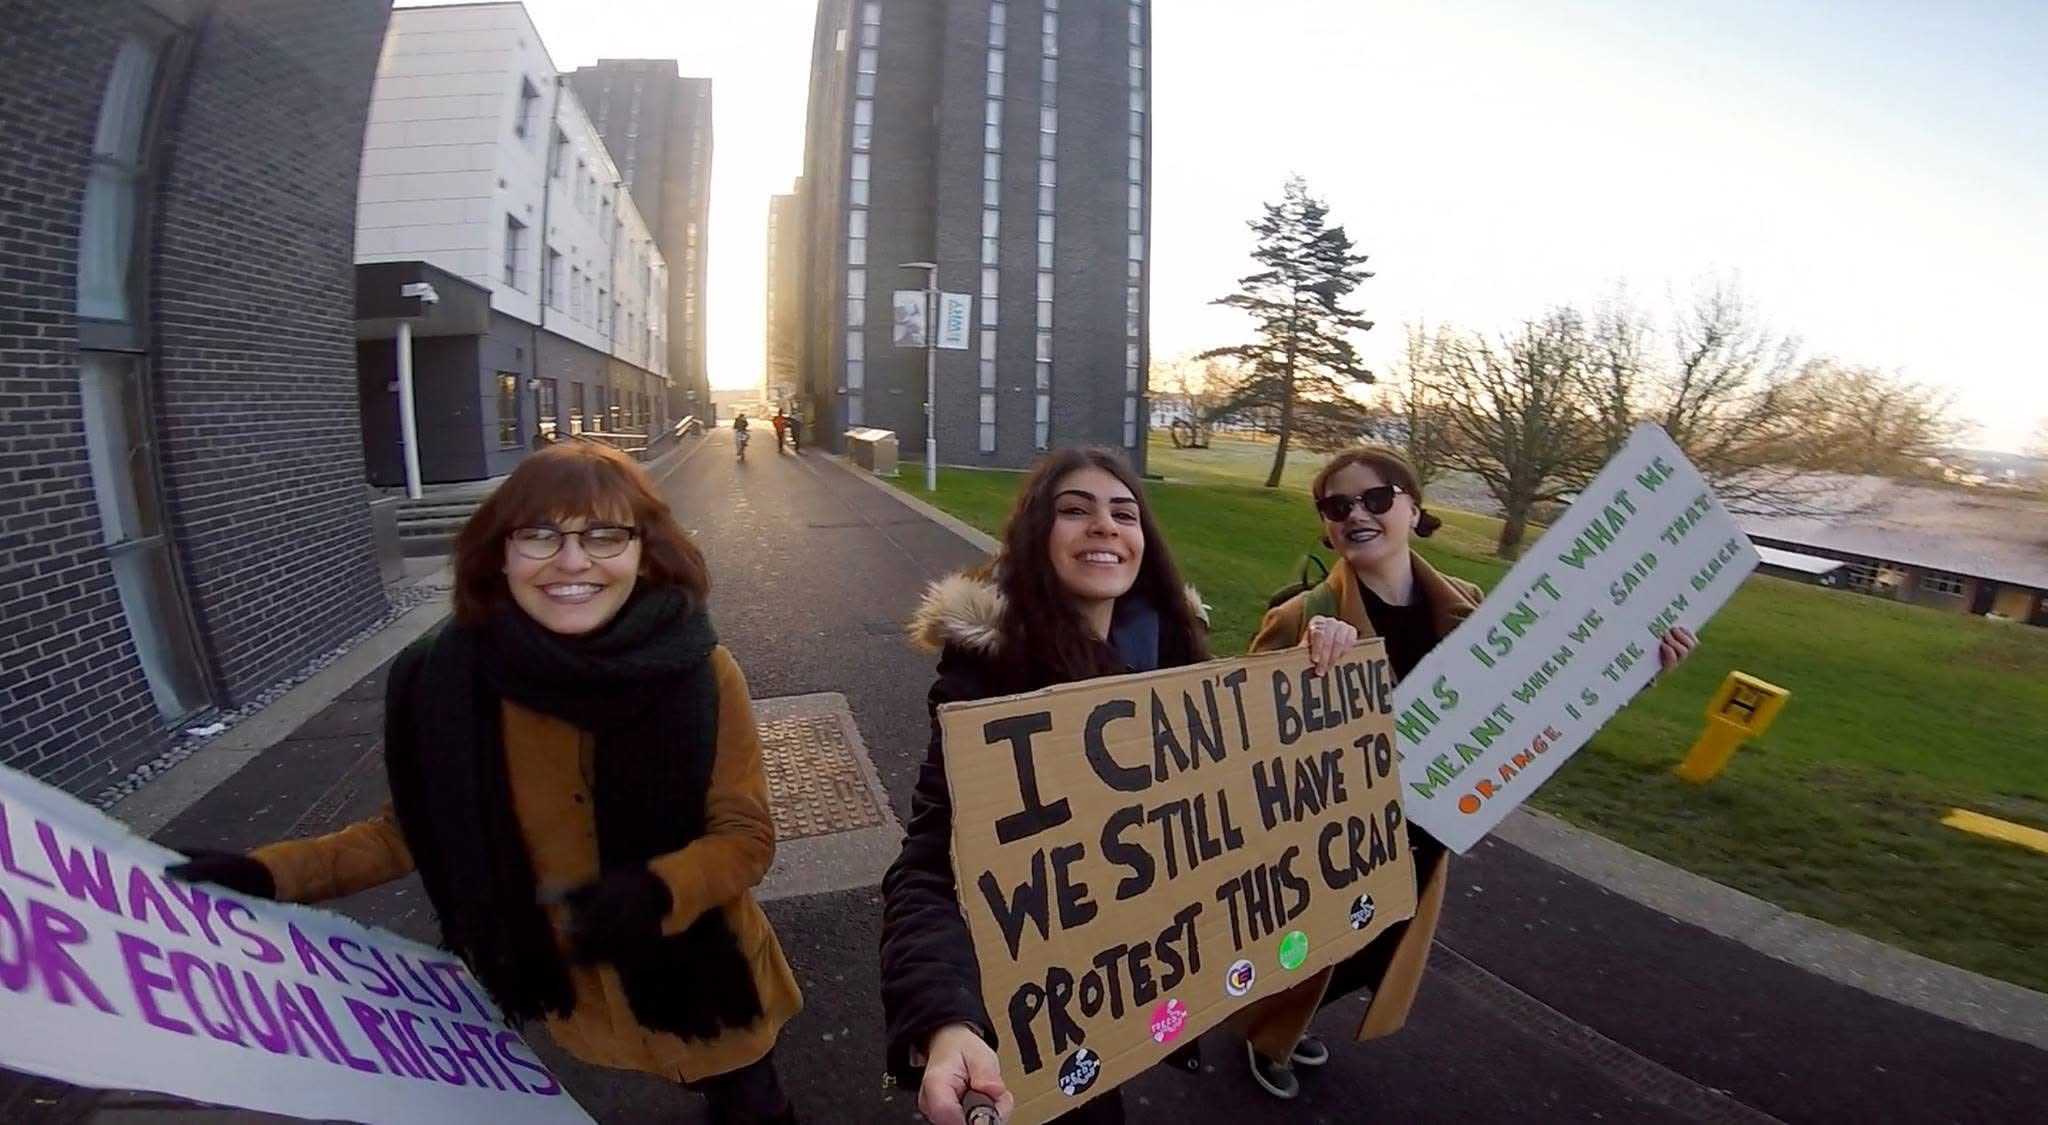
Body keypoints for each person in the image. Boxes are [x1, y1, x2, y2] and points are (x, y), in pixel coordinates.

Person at [167, 442, 804, 1125]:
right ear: (499, 554)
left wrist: (657, 891)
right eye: (539, 534)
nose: (571, 561)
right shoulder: (448, 684)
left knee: (749, 1107)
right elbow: (410, 830)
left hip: (708, 984)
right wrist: (268, 875)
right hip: (566, 998)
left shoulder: (702, 673)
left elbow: (744, 835)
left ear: (643, 551)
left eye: (603, 534)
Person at [1226, 445, 1697, 1100]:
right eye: (1338, 506)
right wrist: (1307, 671)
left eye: (1376, 498)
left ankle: (1279, 1016)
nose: (1357, 513)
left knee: (1375, 947)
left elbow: (1536, 702)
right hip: (1329, 835)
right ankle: (1265, 1032)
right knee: (1310, 944)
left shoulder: (1471, 606)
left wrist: (1637, 666)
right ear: (1327, 525)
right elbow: (1238, 740)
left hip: (1425, 828)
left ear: (1413, 508)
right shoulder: (1302, 617)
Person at [880, 448, 1221, 1125]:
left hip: (1127, 986)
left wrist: (1319, 663)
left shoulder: (1172, 654)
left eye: (1123, 512)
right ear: (1039, 536)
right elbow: (929, 868)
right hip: (1028, 1010)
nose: (1103, 525)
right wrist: (946, 1020)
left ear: (1142, 541)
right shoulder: (987, 685)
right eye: (1075, 510)